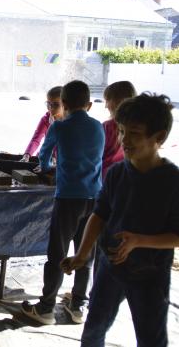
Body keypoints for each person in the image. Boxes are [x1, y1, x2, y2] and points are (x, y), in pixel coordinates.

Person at [61, 93, 178, 347]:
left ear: (159, 137)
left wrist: (139, 240)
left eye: (134, 133)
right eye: (122, 131)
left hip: (150, 276)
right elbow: (99, 215)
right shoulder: (116, 173)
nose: (124, 140)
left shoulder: (172, 181)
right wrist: (82, 255)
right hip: (110, 269)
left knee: (151, 340)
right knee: (93, 332)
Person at [21, 80, 104, 325]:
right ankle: (79, 305)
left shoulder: (59, 127)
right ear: (89, 105)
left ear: (64, 104)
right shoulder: (98, 127)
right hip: (94, 199)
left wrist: (47, 169)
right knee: (84, 252)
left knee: (57, 252)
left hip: (68, 198)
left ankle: (46, 308)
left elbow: (44, 156)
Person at [101, 81, 136, 179]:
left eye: (108, 100)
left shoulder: (106, 127)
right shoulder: (139, 127)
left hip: (105, 177)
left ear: (118, 101)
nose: (106, 105)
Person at [21, 86, 64, 161]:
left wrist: (55, 157)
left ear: (65, 105)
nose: (50, 108)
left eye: (56, 104)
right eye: (48, 104)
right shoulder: (45, 119)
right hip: (45, 158)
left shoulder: (71, 121)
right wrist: (27, 155)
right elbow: (36, 139)